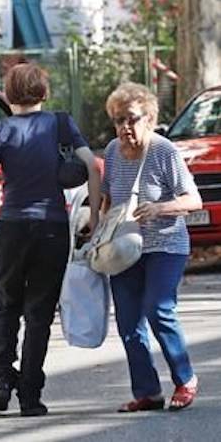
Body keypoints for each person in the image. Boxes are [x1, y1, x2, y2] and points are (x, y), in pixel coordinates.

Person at [0, 62, 101, 416]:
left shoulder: (0, 129)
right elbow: (90, 164)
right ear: (44, 92)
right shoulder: (60, 123)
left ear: (8, 95)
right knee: (39, 313)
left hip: (11, 226)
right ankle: (30, 396)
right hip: (51, 226)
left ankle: (1, 380)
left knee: (6, 305)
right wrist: (96, 216)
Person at [102, 82, 201, 412]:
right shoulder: (113, 152)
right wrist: (97, 230)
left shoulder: (164, 150)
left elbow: (193, 199)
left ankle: (185, 378)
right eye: (118, 120)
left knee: (158, 308)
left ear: (150, 118)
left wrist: (160, 208)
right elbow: (108, 198)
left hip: (165, 244)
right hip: (122, 248)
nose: (124, 127)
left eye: (131, 119)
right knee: (129, 323)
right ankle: (148, 392)